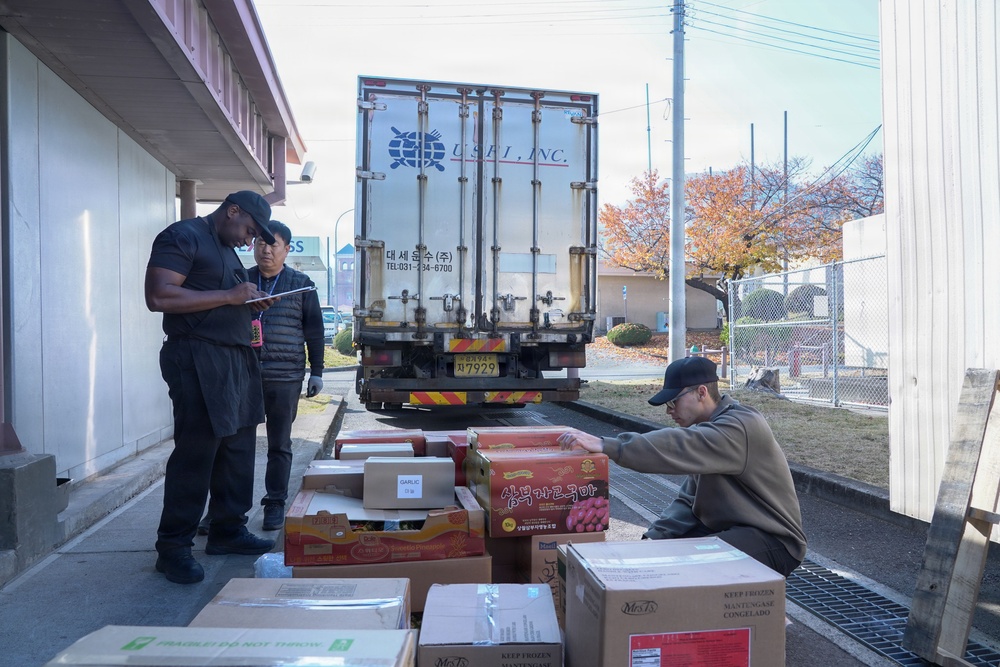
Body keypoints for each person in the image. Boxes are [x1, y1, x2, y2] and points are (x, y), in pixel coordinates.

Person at [557, 355, 806, 577]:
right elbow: (688, 501)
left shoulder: (738, 426)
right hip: (731, 528)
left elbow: (677, 445)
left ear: (701, 392)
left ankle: (767, 613)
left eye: (674, 402)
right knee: (661, 558)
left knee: (691, 566)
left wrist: (607, 445)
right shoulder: (708, 431)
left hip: (773, 540)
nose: (669, 411)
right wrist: (652, 541)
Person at [144, 190, 279, 584]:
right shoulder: (183, 236)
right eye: (249, 230)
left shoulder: (225, 249)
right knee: (197, 453)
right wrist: (230, 295)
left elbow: (224, 300)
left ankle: (227, 530)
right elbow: (159, 295)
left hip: (235, 359)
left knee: (237, 449)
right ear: (231, 211)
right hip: (196, 358)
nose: (248, 241)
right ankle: (172, 548)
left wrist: (246, 302)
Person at [247, 220, 325, 530]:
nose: (265, 249)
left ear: (287, 249)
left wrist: (316, 373)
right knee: (235, 445)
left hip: (285, 376)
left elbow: (315, 332)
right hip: (244, 376)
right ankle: (224, 511)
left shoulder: (300, 284)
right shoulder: (240, 280)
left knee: (279, 444)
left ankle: (275, 503)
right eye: (260, 244)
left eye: (273, 244)